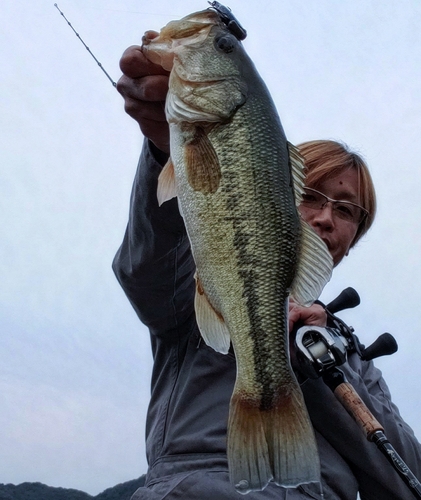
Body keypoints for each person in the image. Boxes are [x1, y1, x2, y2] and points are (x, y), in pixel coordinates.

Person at [113, 45, 421, 500]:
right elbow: (147, 272)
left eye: (347, 210)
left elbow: (406, 477)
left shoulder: (353, 354)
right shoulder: (205, 279)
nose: (325, 218)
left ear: (353, 239)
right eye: (312, 195)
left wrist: (324, 366)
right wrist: (164, 149)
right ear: (274, 190)